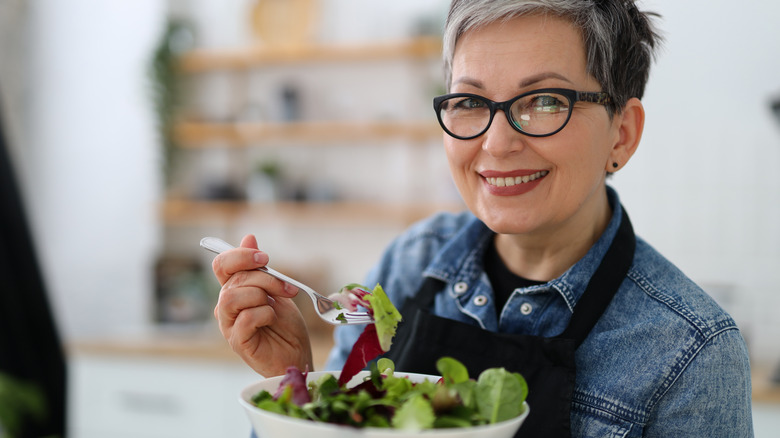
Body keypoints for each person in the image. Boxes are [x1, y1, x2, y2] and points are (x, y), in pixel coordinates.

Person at [211, 0, 753, 436]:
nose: (496, 144)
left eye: (544, 101)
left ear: (622, 133)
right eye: (470, 102)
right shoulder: (412, 260)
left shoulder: (691, 352)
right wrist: (300, 382)